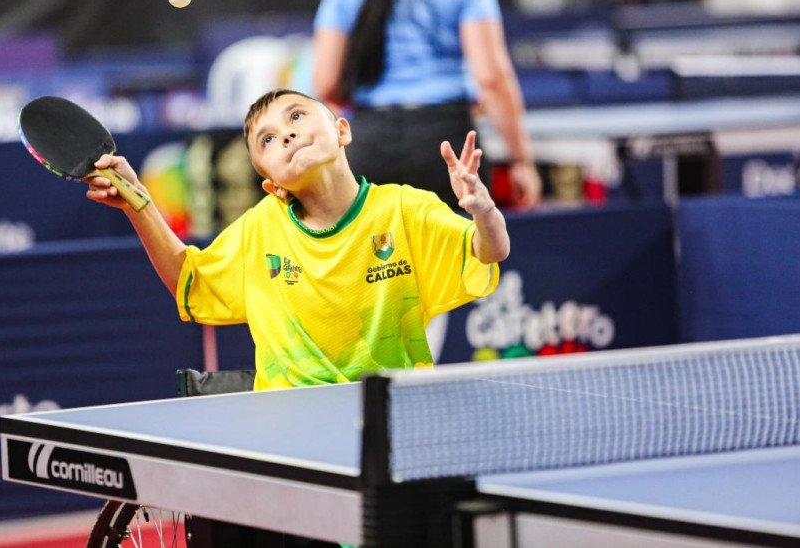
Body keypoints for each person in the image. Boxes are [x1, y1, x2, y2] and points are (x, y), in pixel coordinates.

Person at [85, 89, 509, 391]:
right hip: (288, 427)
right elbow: (188, 280)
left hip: (391, 417)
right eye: (267, 140)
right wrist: (139, 206)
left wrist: (483, 210)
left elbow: (489, 251)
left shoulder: (404, 209)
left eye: (296, 117)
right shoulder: (261, 229)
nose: (285, 134)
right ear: (269, 183)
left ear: (342, 130)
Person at [312, 0, 541, 209]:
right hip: (448, 146)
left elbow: (325, 83)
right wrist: (521, 160)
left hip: (368, 143)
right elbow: (492, 79)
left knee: (378, 254)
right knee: (459, 252)